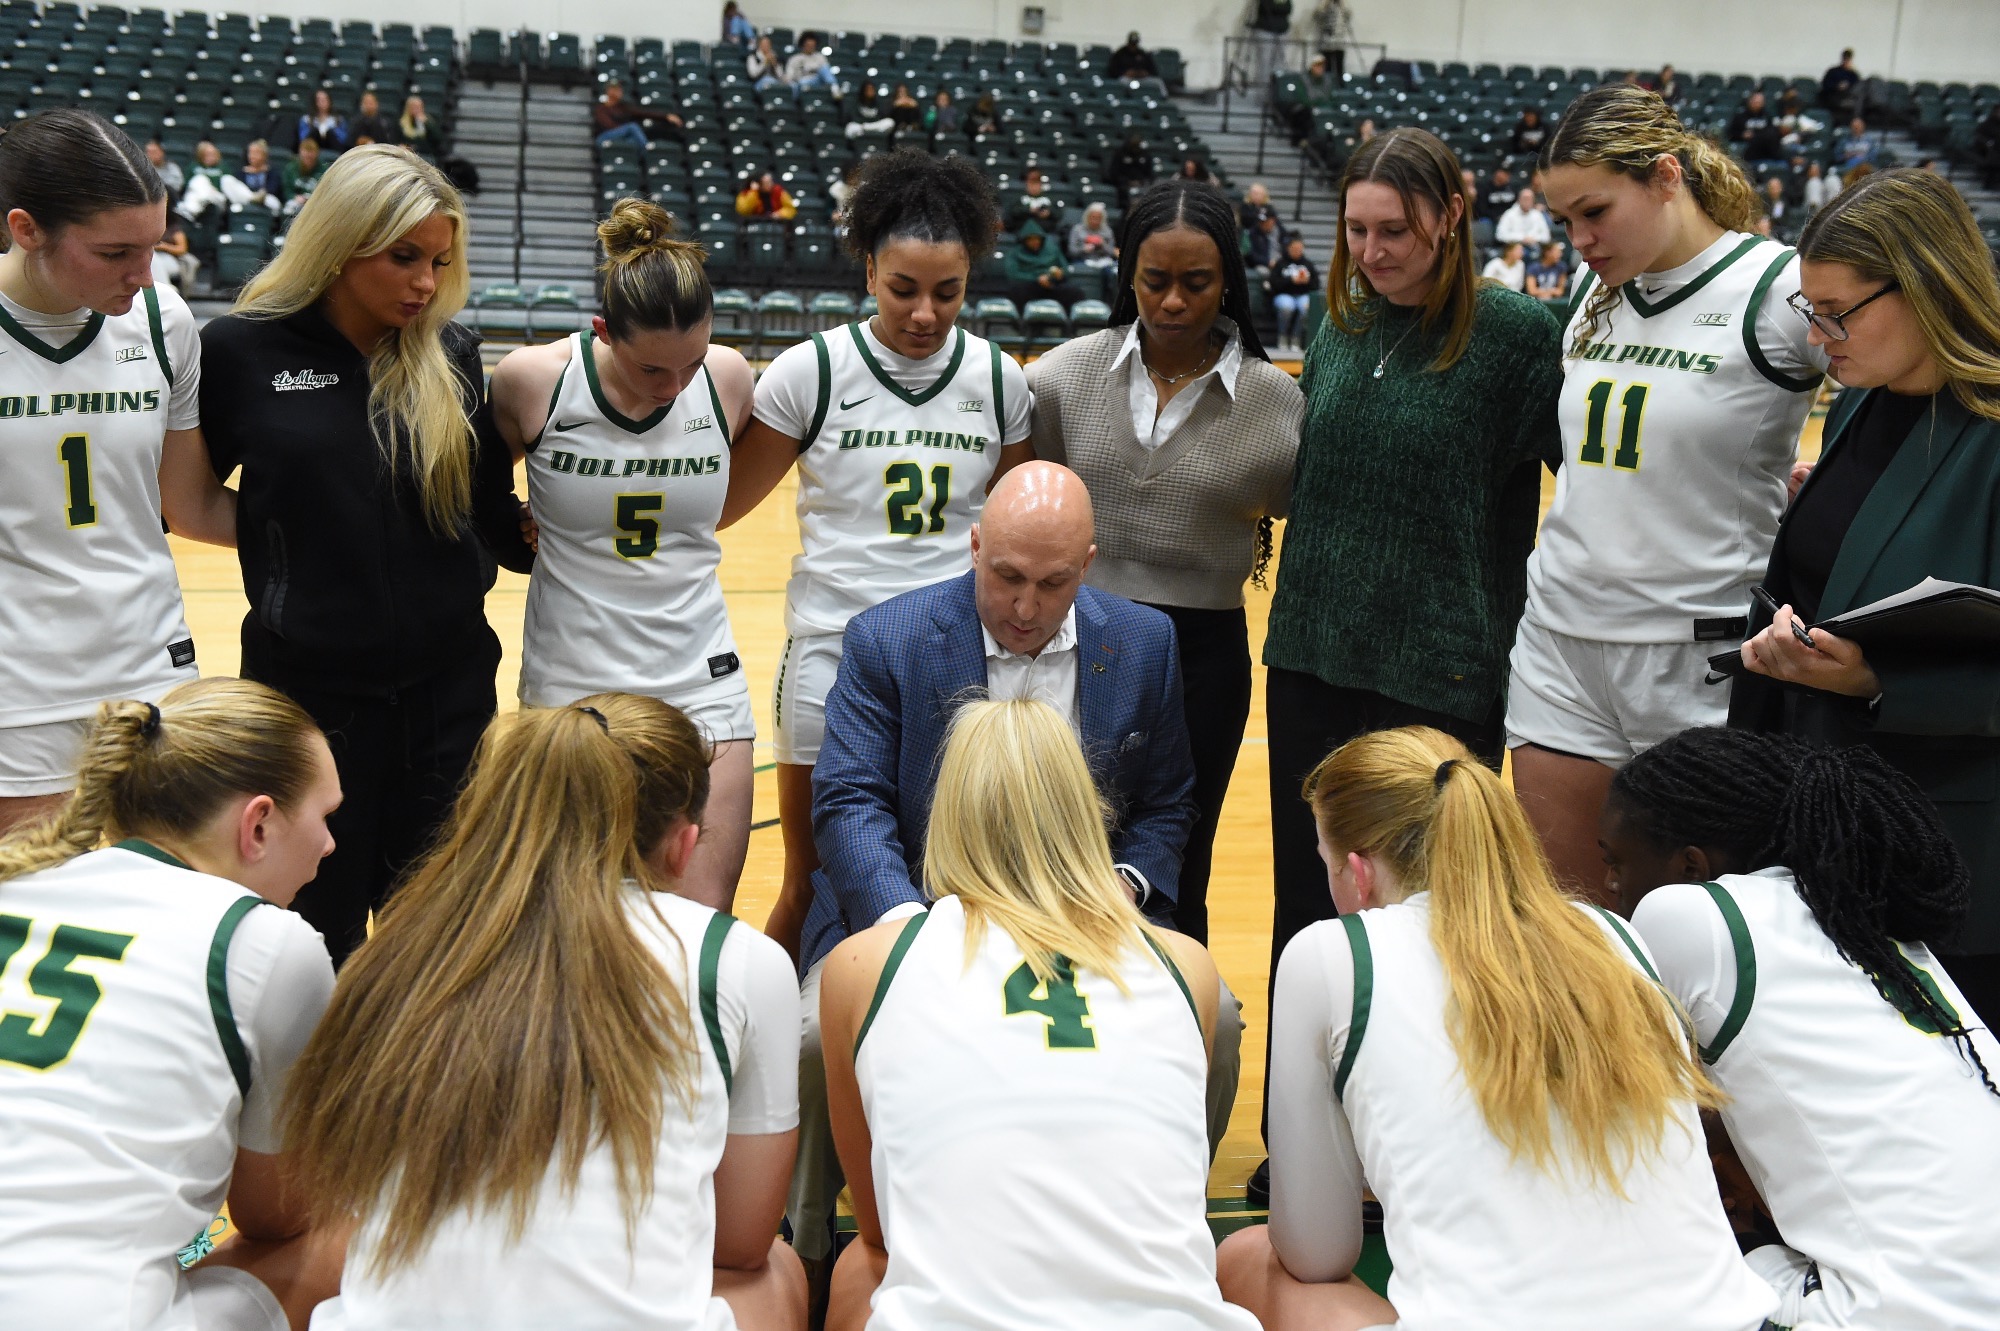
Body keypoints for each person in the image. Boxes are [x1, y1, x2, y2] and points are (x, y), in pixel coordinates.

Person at [797, 463, 1242, 1279]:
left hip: (1085, 917)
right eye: (1006, 577)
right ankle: (812, 1244)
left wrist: (1119, 890)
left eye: (1053, 583)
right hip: (917, 907)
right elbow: (849, 802)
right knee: (809, 1038)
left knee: (1218, 1024)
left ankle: (1160, 1221)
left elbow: (1168, 804)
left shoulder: (1146, 643)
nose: (1026, 608)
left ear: (1088, 564)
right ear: (974, 546)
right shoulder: (886, 638)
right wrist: (905, 930)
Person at [1215, 725, 1777, 1331]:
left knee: (1246, 1259)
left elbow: (1316, 1253)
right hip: (1727, 1322)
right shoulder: (1613, 933)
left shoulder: (1330, 954)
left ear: (1358, 872)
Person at [1256, 126, 1563, 1206]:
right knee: (1308, 906)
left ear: (1450, 217)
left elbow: (1594, 477)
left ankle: (1423, 1140)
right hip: (1310, 657)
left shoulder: (1519, 338)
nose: (1373, 251)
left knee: (1433, 922)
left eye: (1395, 229)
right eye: (1357, 230)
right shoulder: (1338, 325)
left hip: (1441, 672)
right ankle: (1302, 1137)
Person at [285, 695, 806, 1330]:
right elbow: (742, 1241)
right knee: (776, 1272)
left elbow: (335, 1193)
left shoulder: (401, 946)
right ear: (683, 845)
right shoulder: (735, 958)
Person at [195, 145, 534, 964]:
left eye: (440, 262)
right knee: (309, 945)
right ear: (341, 244)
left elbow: (480, 506)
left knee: (439, 948)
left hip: (447, 697)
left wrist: (546, 530)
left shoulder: (451, 352)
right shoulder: (241, 351)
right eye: (404, 257)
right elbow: (194, 499)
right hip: (304, 701)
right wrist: (300, 541)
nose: (425, 283)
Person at [819, 698, 1257, 1331]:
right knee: (1243, 1258)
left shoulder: (863, 965)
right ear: (1087, 810)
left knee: (857, 1271)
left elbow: (882, 1231)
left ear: (949, 810)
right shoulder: (1187, 965)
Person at [723, 147, 1032, 976]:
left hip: (955, 658)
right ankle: (761, 1036)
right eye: (903, 289)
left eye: (947, 291)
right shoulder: (812, 370)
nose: (926, 313)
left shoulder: (998, 380)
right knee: (811, 880)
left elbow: (1020, 530)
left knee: (952, 882)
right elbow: (718, 506)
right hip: (831, 649)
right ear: (867, 271)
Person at [1511, 84, 1825, 898]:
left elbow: (1895, 386)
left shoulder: (1777, 287)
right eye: (1565, 221)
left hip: (1700, 654)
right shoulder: (1594, 291)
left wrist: (1835, 492)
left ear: (1664, 176)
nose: (1579, 240)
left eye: (1594, 212)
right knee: (1570, 924)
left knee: (1689, 931)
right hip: (1560, 641)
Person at [1606, 727, 2000, 1330]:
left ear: (1690, 866)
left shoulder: (1687, 913)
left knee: (1648, 1257)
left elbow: (1613, 1105)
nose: (1610, 886)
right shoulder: (1864, 914)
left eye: (1615, 862)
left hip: (1911, 1311)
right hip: (1968, 1279)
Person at [1729, 168, 2000, 1028]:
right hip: (1822, 815)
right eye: (1811, 311)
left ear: (1924, 285)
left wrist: (1879, 683)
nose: (1819, 338)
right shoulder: (1860, 405)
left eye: (1837, 312)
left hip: (1950, 849)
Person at [0, 679, 345, 1331]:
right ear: (258, 823)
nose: (329, 844)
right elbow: (274, 1215)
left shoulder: (20, 878)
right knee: (350, 1221)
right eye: (325, 816)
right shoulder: (267, 942)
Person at [1028, 180, 1301, 941]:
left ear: (1229, 282)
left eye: (1197, 282)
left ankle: (1176, 1001)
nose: (1173, 301)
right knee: (1056, 848)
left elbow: (1297, 513)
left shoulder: (1279, 406)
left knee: (1179, 861)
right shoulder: (1059, 378)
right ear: (1128, 273)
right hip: (1077, 638)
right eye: (1155, 280)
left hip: (1204, 659)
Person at [487, 199, 756, 912]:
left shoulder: (728, 378)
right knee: (568, 919)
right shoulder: (533, 381)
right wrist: (515, 524)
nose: (674, 387)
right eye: (652, 369)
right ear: (602, 331)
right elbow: (472, 494)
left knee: (699, 918)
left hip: (701, 675)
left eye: (691, 363)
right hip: (572, 682)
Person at [0, 109, 232, 835]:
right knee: (36, 897)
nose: (145, 273)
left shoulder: (163, 321)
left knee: (165, 890)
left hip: (152, 665)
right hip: (18, 688)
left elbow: (190, 506)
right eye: (115, 253)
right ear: (25, 229)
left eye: (154, 246)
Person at [1005, 219, 1083, 309]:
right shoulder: (1015, 253)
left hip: (1051, 284)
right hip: (1029, 285)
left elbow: (1065, 269)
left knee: (1075, 292)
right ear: (1024, 240)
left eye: (1037, 238)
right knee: (1017, 291)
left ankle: (1069, 317)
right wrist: (1037, 278)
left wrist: (1059, 274)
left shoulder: (1053, 249)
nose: (1035, 242)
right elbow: (1013, 274)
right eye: (1031, 239)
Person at [1267, 234, 1317, 354]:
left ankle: (1296, 338)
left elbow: (1316, 284)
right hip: (1283, 294)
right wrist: (1290, 280)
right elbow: (1274, 283)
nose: (1297, 251)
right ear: (1288, 248)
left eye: (1299, 249)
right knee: (1287, 306)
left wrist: (1307, 281)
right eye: (1294, 249)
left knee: (1305, 307)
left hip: (1302, 294)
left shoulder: (1307, 264)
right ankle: (1282, 336)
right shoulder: (1281, 263)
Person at [596, 80, 681, 151]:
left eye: (620, 89)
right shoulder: (601, 109)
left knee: (633, 140)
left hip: (622, 137)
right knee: (632, 127)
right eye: (616, 89)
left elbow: (644, 113)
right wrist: (626, 130)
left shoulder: (622, 107)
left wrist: (666, 116)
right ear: (609, 91)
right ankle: (647, 150)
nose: (620, 92)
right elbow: (609, 125)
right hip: (604, 137)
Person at [1728, 90, 1787, 179]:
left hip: (1766, 150)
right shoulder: (1740, 116)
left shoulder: (1767, 116)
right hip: (1750, 151)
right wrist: (1742, 135)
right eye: (1756, 101)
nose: (1758, 104)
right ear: (1750, 101)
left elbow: (1773, 133)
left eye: (1760, 102)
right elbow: (1730, 133)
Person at [225, 138, 285, 216]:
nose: (252, 156)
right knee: (226, 179)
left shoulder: (272, 172)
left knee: (274, 202)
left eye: (256, 153)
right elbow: (239, 189)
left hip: (265, 199)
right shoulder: (241, 172)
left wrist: (261, 194)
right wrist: (253, 196)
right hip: (245, 199)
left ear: (264, 155)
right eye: (250, 153)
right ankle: (253, 198)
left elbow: (272, 189)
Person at [176, 138, 229, 220]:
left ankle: (189, 211)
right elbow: (186, 185)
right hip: (197, 196)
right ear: (201, 155)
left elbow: (227, 187)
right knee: (198, 181)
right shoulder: (193, 167)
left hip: (216, 197)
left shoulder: (223, 168)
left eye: (212, 154)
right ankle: (190, 213)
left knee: (201, 179)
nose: (210, 157)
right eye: (207, 155)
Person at [1066, 199, 1118, 274]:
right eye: (1092, 217)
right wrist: (1083, 249)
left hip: (1103, 261)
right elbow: (1071, 251)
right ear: (1087, 217)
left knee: (1113, 271)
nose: (1095, 221)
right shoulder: (1077, 229)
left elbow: (1112, 252)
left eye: (1098, 218)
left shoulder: (1107, 231)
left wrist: (1103, 244)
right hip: (1083, 260)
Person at [1108, 131, 1155, 209]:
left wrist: (1141, 182)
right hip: (1123, 184)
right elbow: (1114, 173)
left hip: (1141, 183)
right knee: (1122, 191)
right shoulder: (1120, 154)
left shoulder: (1145, 155)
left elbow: (1150, 174)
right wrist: (1127, 181)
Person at [281, 137, 327, 214]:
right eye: (306, 157)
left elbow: (325, 190)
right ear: (300, 154)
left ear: (317, 154)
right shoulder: (291, 168)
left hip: (316, 202)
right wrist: (294, 197)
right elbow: (286, 190)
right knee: (288, 210)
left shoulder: (323, 169)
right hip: (296, 201)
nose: (308, 160)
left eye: (310, 157)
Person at [297, 88, 348, 153]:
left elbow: (343, 139)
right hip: (313, 147)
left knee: (330, 133)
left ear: (329, 101)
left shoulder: (338, 120)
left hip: (333, 148)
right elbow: (303, 139)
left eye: (325, 99)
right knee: (314, 132)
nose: (322, 102)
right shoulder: (306, 119)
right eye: (319, 100)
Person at [152, 213, 196, 289]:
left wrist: (164, 246)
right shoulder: (150, 228)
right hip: (152, 259)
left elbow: (182, 249)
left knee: (155, 261)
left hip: (173, 260)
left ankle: (166, 289)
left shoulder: (174, 229)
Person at [1244, 207, 1287, 277]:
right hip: (1262, 264)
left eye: (1265, 221)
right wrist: (1267, 262)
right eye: (1261, 221)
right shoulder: (1253, 233)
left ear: (1273, 221)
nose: (1262, 223)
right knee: (1264, 272)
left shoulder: (1280, 231)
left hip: (1279, 262)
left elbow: (1287, 249)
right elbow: (1250, 254)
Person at [397, 94, 441, 160]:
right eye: (413, 107)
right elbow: (398, 140)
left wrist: (427, 124)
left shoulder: (429, 122)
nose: (416, 109)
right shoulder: (401, 122)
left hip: (425, 154)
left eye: (418, 107)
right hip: (408, 154)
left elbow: (437, 139)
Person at [1820, 47, 1861, 116]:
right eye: (1845, 59)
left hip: (1848, 98)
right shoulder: (1833, 71)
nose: (1847, 61)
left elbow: (1858, 88)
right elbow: (1825, 85)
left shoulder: (1853, 75)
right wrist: (1837, 86)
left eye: (1848, 59)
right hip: (1833, 98)